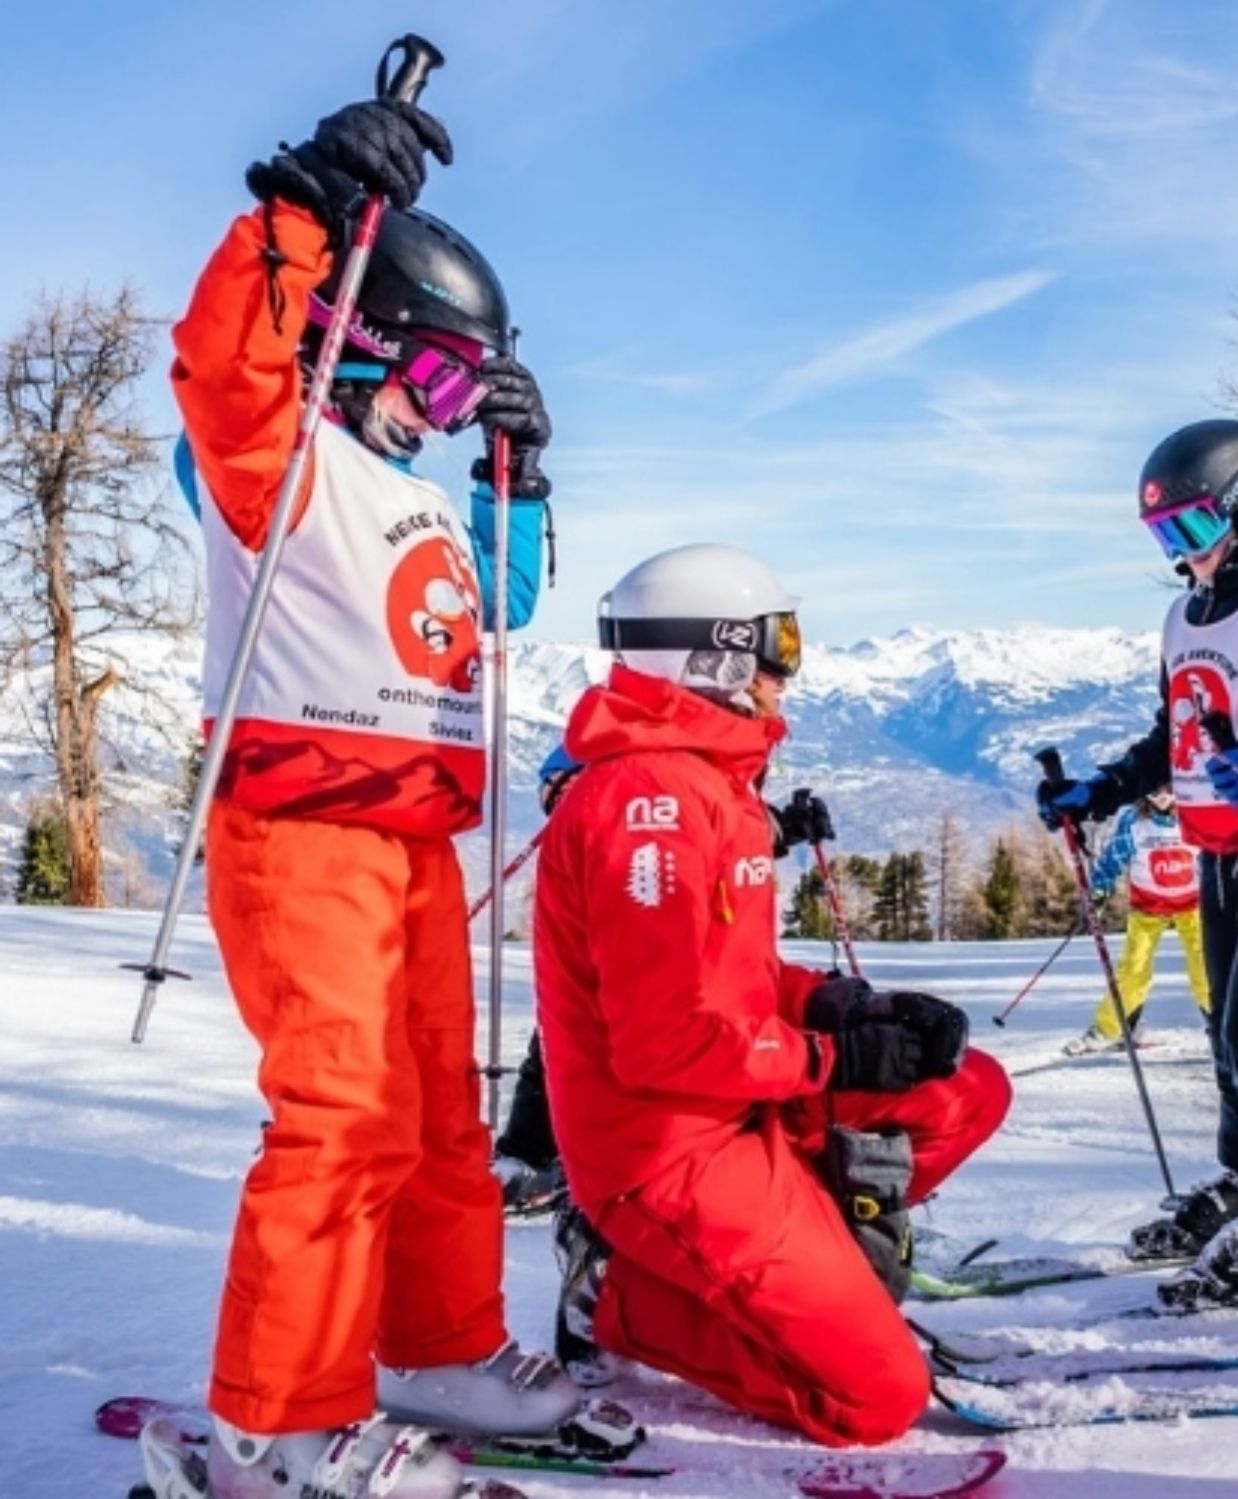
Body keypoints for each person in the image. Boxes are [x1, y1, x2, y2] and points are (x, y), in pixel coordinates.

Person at [145, 91, 574, 1499]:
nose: (443, 416)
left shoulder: (418, 494)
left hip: (413, 842)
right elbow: (223, 366)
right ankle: (276, 1420)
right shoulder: (271, 463)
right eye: (443, 385)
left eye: (468, 398)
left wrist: (516, 475)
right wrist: (309, 207)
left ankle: (436, 1338)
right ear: (357, 341)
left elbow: (492, 603)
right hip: (306, 823)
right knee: (340, 1116)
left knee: (441, 1113)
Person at [533, 544, 1012, 1447]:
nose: (785, 670)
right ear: (713, 656)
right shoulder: (652, 806)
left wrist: (839, 1003)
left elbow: (731, 974)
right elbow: (667, 1044)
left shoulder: (709, 780)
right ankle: (618, 1293)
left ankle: (815, 1282)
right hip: (668, 1151)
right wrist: (835, 1056)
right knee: (874, 1401)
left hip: (740, 1102)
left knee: (966, 1089)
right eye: (774, 644)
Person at [1037, 420, 1238, 1306]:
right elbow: (1173, 732)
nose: (1185, 558)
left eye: (1193, 531)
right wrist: (1099, 790)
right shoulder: (1185, 614)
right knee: (1232, 1030)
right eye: (1165, 538)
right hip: (1215, 843)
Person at [489, 749, 842, 1220]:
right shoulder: (622, 774)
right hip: (615, 899)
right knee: (576, 1030)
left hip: (660, 916)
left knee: (585, 1027)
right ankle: (533, 1153)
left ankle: (534, 1153)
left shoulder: (649, 768)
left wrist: (777, 827)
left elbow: (705, 839)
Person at [1061, 789, 1212, 1056]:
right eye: (1153, 790)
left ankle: (1222, 1026)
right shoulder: (1134, 821)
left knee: (1204, 966)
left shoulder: (1193, 813)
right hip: (1148, 906)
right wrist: (1098, 891)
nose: (1162, 795)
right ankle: (1112, 1029)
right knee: (1133, 968)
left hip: (1192, 904)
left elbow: (1217, 850)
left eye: (1167, 787)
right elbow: (1112, 860)